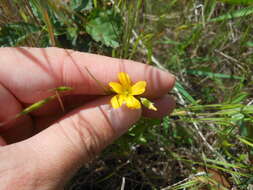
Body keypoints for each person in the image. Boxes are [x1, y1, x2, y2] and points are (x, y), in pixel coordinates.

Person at [0, 47, 175, 189]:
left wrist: (133, 97)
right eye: (125, 90)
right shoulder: (120, 92)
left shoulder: (132, 92)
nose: (127, 90)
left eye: (128, 90)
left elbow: (131, 90)